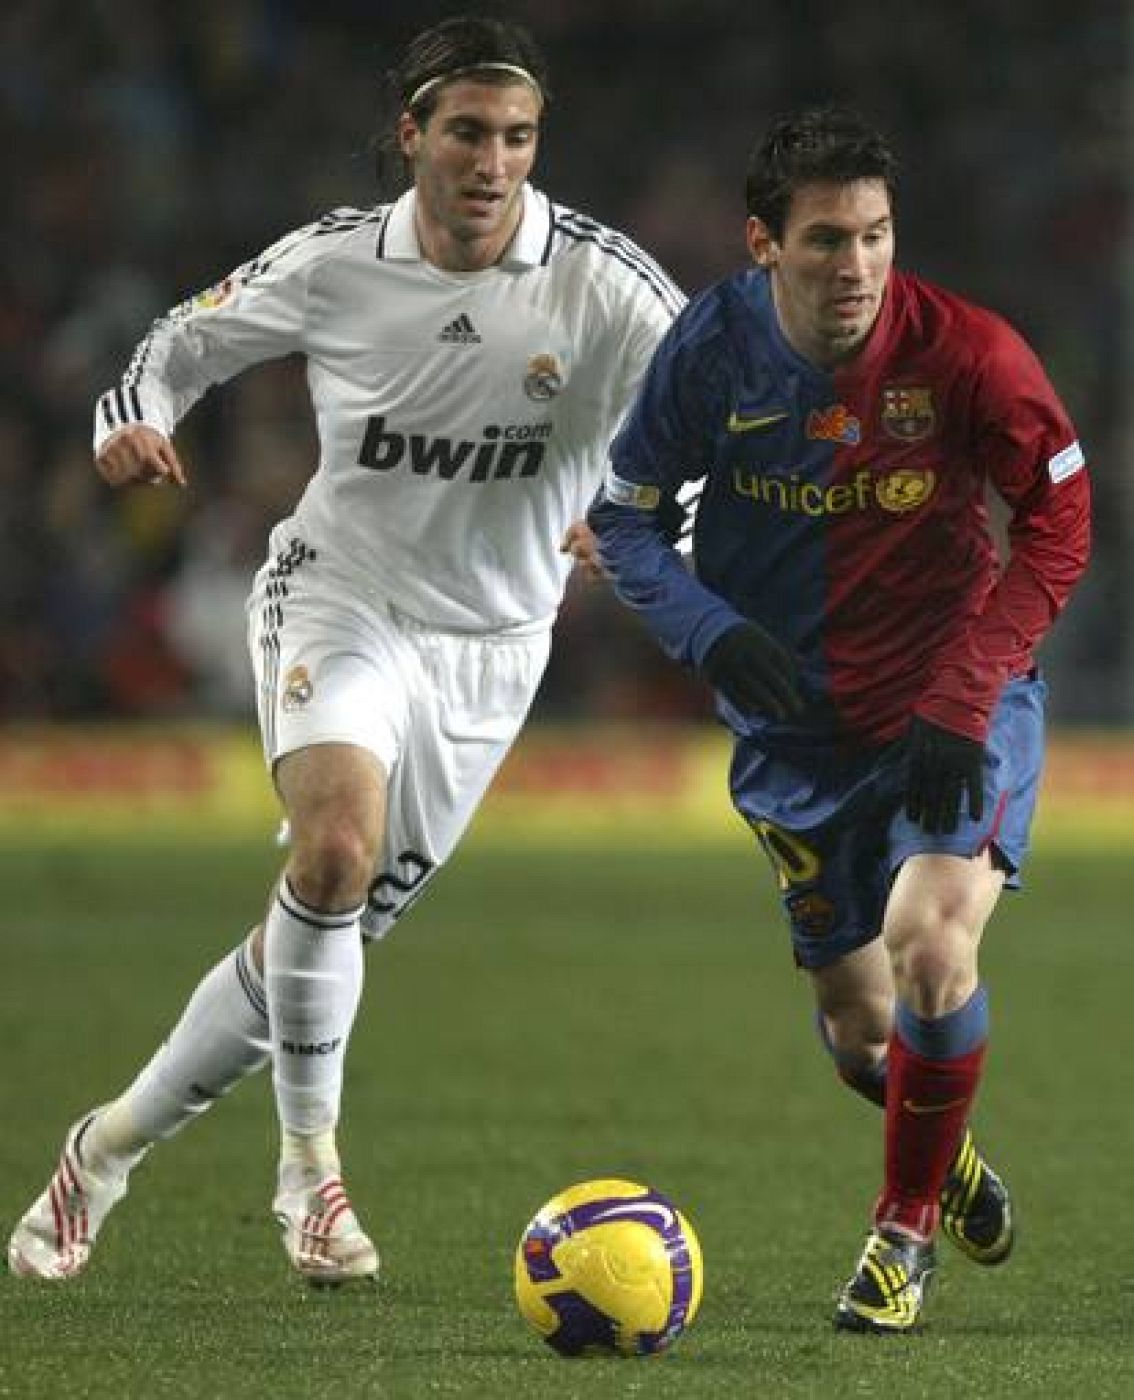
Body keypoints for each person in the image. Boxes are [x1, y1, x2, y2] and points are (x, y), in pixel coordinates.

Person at [8, 15, 682, 1286]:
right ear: (411, 135)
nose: (493, 162)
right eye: (468, 132)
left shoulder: (607, 284)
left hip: (494, 649)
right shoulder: (336, 262)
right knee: (332, 848)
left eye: (518, 138)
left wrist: (659, 518)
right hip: (341, 595)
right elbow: (178, 342)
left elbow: (710, 413)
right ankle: (310, 1177)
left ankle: (105, 1144)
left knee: (317, 930)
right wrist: (132, 420)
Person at [588, 105, 1090, 1333]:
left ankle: (900, 1231)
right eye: (824, 240)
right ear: (764, 243)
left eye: (874, 235)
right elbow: (624, 518)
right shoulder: (710, 352)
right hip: (796, 738)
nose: (855, 266)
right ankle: (945, 1150)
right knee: (864, 1034)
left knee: (930, 946)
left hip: (950, 713)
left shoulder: (969, 354)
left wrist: (968, 690)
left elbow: (1059, 526)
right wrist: (711, 631)